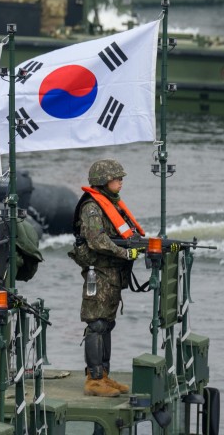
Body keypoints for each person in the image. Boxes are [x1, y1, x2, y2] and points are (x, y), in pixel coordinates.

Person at [68, 159, 146, 397]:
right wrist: (126, 253)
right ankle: (94, 379)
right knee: (96, 324)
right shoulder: (92, 207)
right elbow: (97, 241)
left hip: (111, 273)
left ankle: (104, 375)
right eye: (117, 178)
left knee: (107, 324)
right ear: (104, 181)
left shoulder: (110, 204)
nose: (121, 182)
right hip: (99, 272)